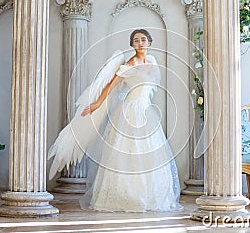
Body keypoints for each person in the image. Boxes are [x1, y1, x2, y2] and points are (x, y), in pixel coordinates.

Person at [48, 29, 182, 212]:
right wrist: (96, 104)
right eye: (136, 40)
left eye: (143, 39)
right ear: (132, 44)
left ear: (150, 42)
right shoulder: (130, 64)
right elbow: (111, 85)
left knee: (149, 151)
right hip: (131, 111)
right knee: (128, 151)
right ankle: (127, 195)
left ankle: (150, 195)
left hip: (146, 112)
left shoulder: (152, 61)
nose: (140, 43)